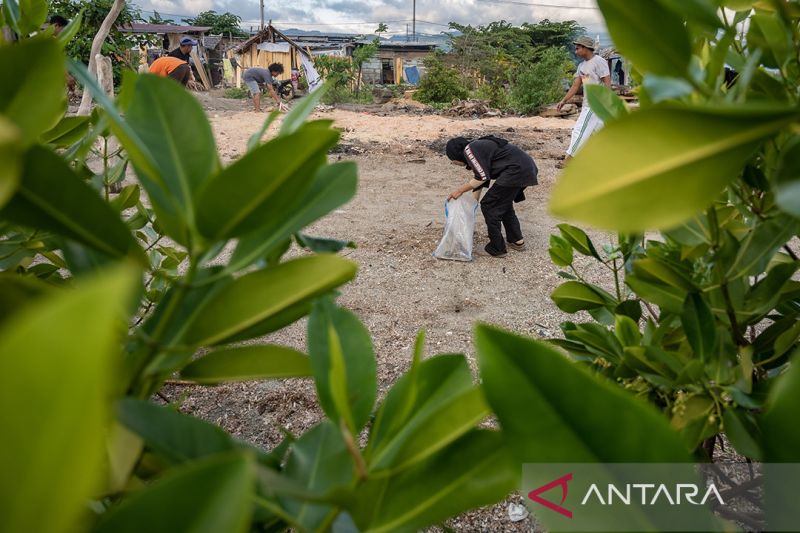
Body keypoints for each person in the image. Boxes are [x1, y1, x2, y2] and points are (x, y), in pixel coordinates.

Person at [446, 136, 538, 258]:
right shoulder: (476, 147)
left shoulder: (469, 150)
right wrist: (472, 205)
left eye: (452, 160)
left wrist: (459, 191)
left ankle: (497, 248)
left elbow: (482, 178)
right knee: (503, 203)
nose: (454, 163)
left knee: (490, 206)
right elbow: (481, 179)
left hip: (516, 171)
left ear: (456, 154)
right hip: (525, 168)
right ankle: (517, 241)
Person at [556, 36, 611, 164]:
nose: (576, 51)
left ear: (586, 48)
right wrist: (564, 100)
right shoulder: (581, 66)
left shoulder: (599, 61)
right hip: (591, 104)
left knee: (579, 131)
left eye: (578, 48)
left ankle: (568, 160)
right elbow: (576, 85)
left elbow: (607, 82)